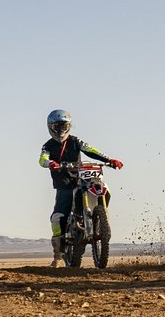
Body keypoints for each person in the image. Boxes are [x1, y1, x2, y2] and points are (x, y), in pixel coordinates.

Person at [41, 110, 123, 266]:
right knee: (58, 218)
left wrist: (109, 159)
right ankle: (58, 256)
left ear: (69, 126)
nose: (61, 129)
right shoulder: (48, 145)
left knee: (101, 185)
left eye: (64, 126)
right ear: (51, 126)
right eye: (57, 126)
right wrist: (50, 163)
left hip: (81, 179)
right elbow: (42, 159)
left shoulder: (75, 141)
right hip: (64, 184)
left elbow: (90, 150)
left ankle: (100, 222)